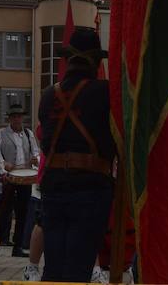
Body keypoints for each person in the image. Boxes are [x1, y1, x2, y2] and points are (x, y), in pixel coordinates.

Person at [37, 27, 114, 284]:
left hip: (54, 186)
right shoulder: (107, 92)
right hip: (90, 188)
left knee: (54, 266)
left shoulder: (48, 95)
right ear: (95, 61)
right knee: (77, 269)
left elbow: (45, 141)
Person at [0, 101, 40, 259]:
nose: (17, 120)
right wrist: (3, 167)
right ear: (9, 119)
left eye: (19, 117)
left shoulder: (28, 134)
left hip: (25, 178)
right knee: (3, 211)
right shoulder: (1, 134)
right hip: (9, 177)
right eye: (14, 117)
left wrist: (36, 160)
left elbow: (36, 152)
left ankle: (18, 246)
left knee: (22, 213)